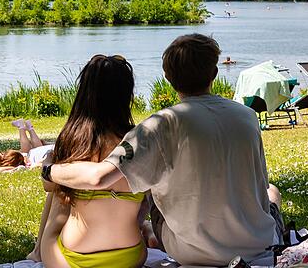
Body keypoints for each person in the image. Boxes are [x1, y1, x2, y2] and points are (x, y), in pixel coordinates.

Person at [45, 36, 284, 267]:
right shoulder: (248, 117)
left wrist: (49, 171)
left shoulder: (161, 125)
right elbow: (259, 183)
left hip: (192, 251)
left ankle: (147, 229)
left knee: (151, 184)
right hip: (256, 245)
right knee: (272, 191)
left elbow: (100, 177)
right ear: (214, 74)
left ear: (168, 78)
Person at [34, 54, 146, 268]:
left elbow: (47, 184)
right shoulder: (139, 140)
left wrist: (49, 163)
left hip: (71, 260)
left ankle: (37, 250)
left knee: (60, 190)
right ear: (126, 94)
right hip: (131, 257)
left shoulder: (74, 139)